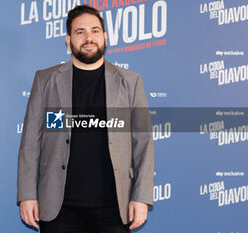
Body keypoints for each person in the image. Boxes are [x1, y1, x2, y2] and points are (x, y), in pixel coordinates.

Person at [17, 5, 154, 233]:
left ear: (105, 38)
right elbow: (30, 142)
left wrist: (141, 197)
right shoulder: (46, 80)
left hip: (113, 207)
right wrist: (27, 195)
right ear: (68, 40)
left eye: (95, 31)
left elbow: (144, 143)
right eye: (80, 32)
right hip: (58, 208)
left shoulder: (130, 83)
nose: (89, 38)